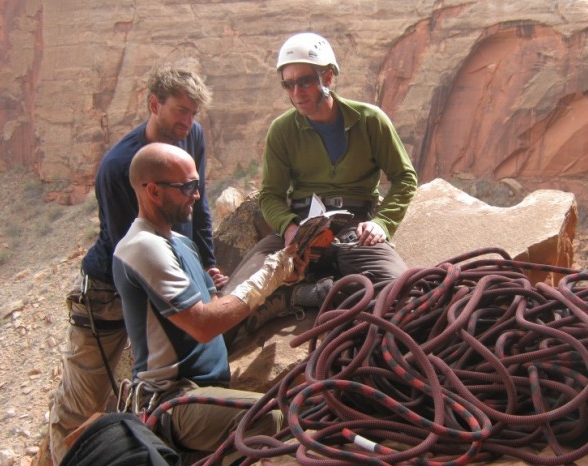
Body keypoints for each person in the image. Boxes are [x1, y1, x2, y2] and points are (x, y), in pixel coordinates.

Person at [48, 60, 228, 464]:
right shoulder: (117, 167)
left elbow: (197, 209)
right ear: (153, 104)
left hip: (159, 268)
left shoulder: (191, 137)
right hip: (109, 292)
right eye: (180, 110)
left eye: (194, 113)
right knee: (84, 398)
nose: (188, 121)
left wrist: (206, 269)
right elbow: (120, 247)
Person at [112, 142, 297, 461]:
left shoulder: (180, 243)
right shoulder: (143, 247)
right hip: (174, 397)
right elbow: (203, 325)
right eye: (186, 187)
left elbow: (214, 305)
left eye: (197, 184)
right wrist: (271, 274)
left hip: (200, 390)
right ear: (153, 191)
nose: (196, 195)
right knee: (270, 418)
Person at [224, 32, 418, 336]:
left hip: (356, 229)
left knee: (402, 301)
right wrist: (289, 228)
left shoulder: (370, 121)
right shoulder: (282, 131)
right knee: (234, 298)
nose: (296, 92)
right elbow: (271, 195)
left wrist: (382, 223)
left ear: (327, 77)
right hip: (301, 229)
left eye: (305, 81)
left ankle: (319, 292)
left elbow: (405, 178)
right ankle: (298, 295)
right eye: (288, 84)